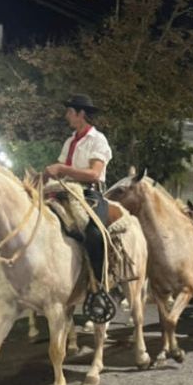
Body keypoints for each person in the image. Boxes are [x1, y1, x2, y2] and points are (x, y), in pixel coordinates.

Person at [43, 94, 115, 322]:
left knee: (95, 233)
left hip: (89, 193)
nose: (66, 116)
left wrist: (63, 170)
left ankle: (99, 286)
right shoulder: (69, 141)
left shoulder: (98, 140)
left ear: (80, 113)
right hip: (64, 192)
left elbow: (94, 173)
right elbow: (60, 169)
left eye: (69, 112)